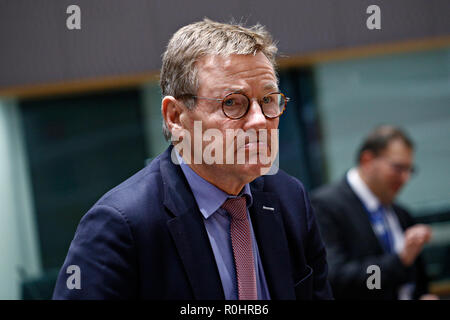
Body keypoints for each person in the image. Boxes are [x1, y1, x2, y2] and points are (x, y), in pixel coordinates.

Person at [52, 19, 332, 300]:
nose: (260, 121)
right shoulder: (121, 225)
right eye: (232, 102)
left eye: (269, 100)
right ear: (175, 117)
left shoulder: (289, 198)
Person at [311, 125, 438, 300]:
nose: (405, 178)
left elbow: (417, 277)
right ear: (367, 161)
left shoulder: (400, 213)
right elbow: (337, 278)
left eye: (409, 170)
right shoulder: (325, 206)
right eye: (398, 168)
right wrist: (398, 262)